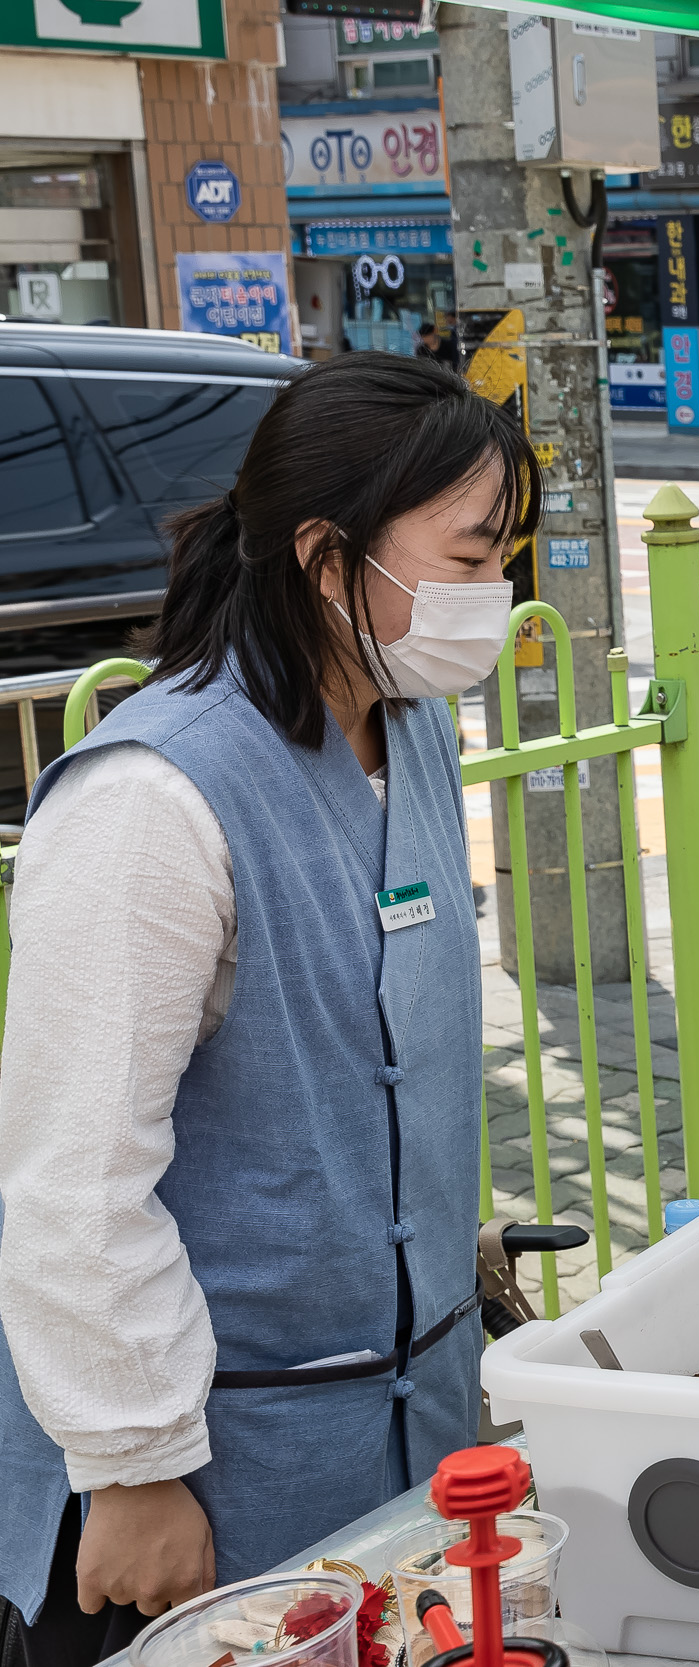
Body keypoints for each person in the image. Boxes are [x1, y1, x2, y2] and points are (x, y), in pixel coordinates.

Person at [0, 354, 533, 1661]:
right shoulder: (153, 801)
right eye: (467, 560)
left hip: (398, 1435)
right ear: (325, 556)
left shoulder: (405, 728)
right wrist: (130, 1464)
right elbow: (75, 1173)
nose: (494, 599)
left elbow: (380, 1051)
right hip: (205, 1472)